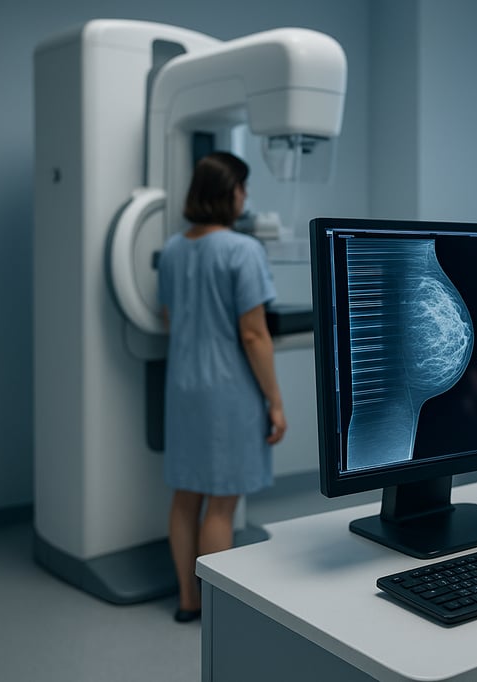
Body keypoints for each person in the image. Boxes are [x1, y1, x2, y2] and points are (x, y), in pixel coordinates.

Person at [157, 151, 287, 623]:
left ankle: (188, 601)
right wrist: (275, 401)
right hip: (227, 389)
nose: (245, 197)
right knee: (221, 505)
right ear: (228, 193)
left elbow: (169, 318)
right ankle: (216, 614)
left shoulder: (172, 249)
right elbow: (253, 334)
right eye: (242, 188)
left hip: (183, 386)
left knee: (186, 496)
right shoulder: (241, 250)